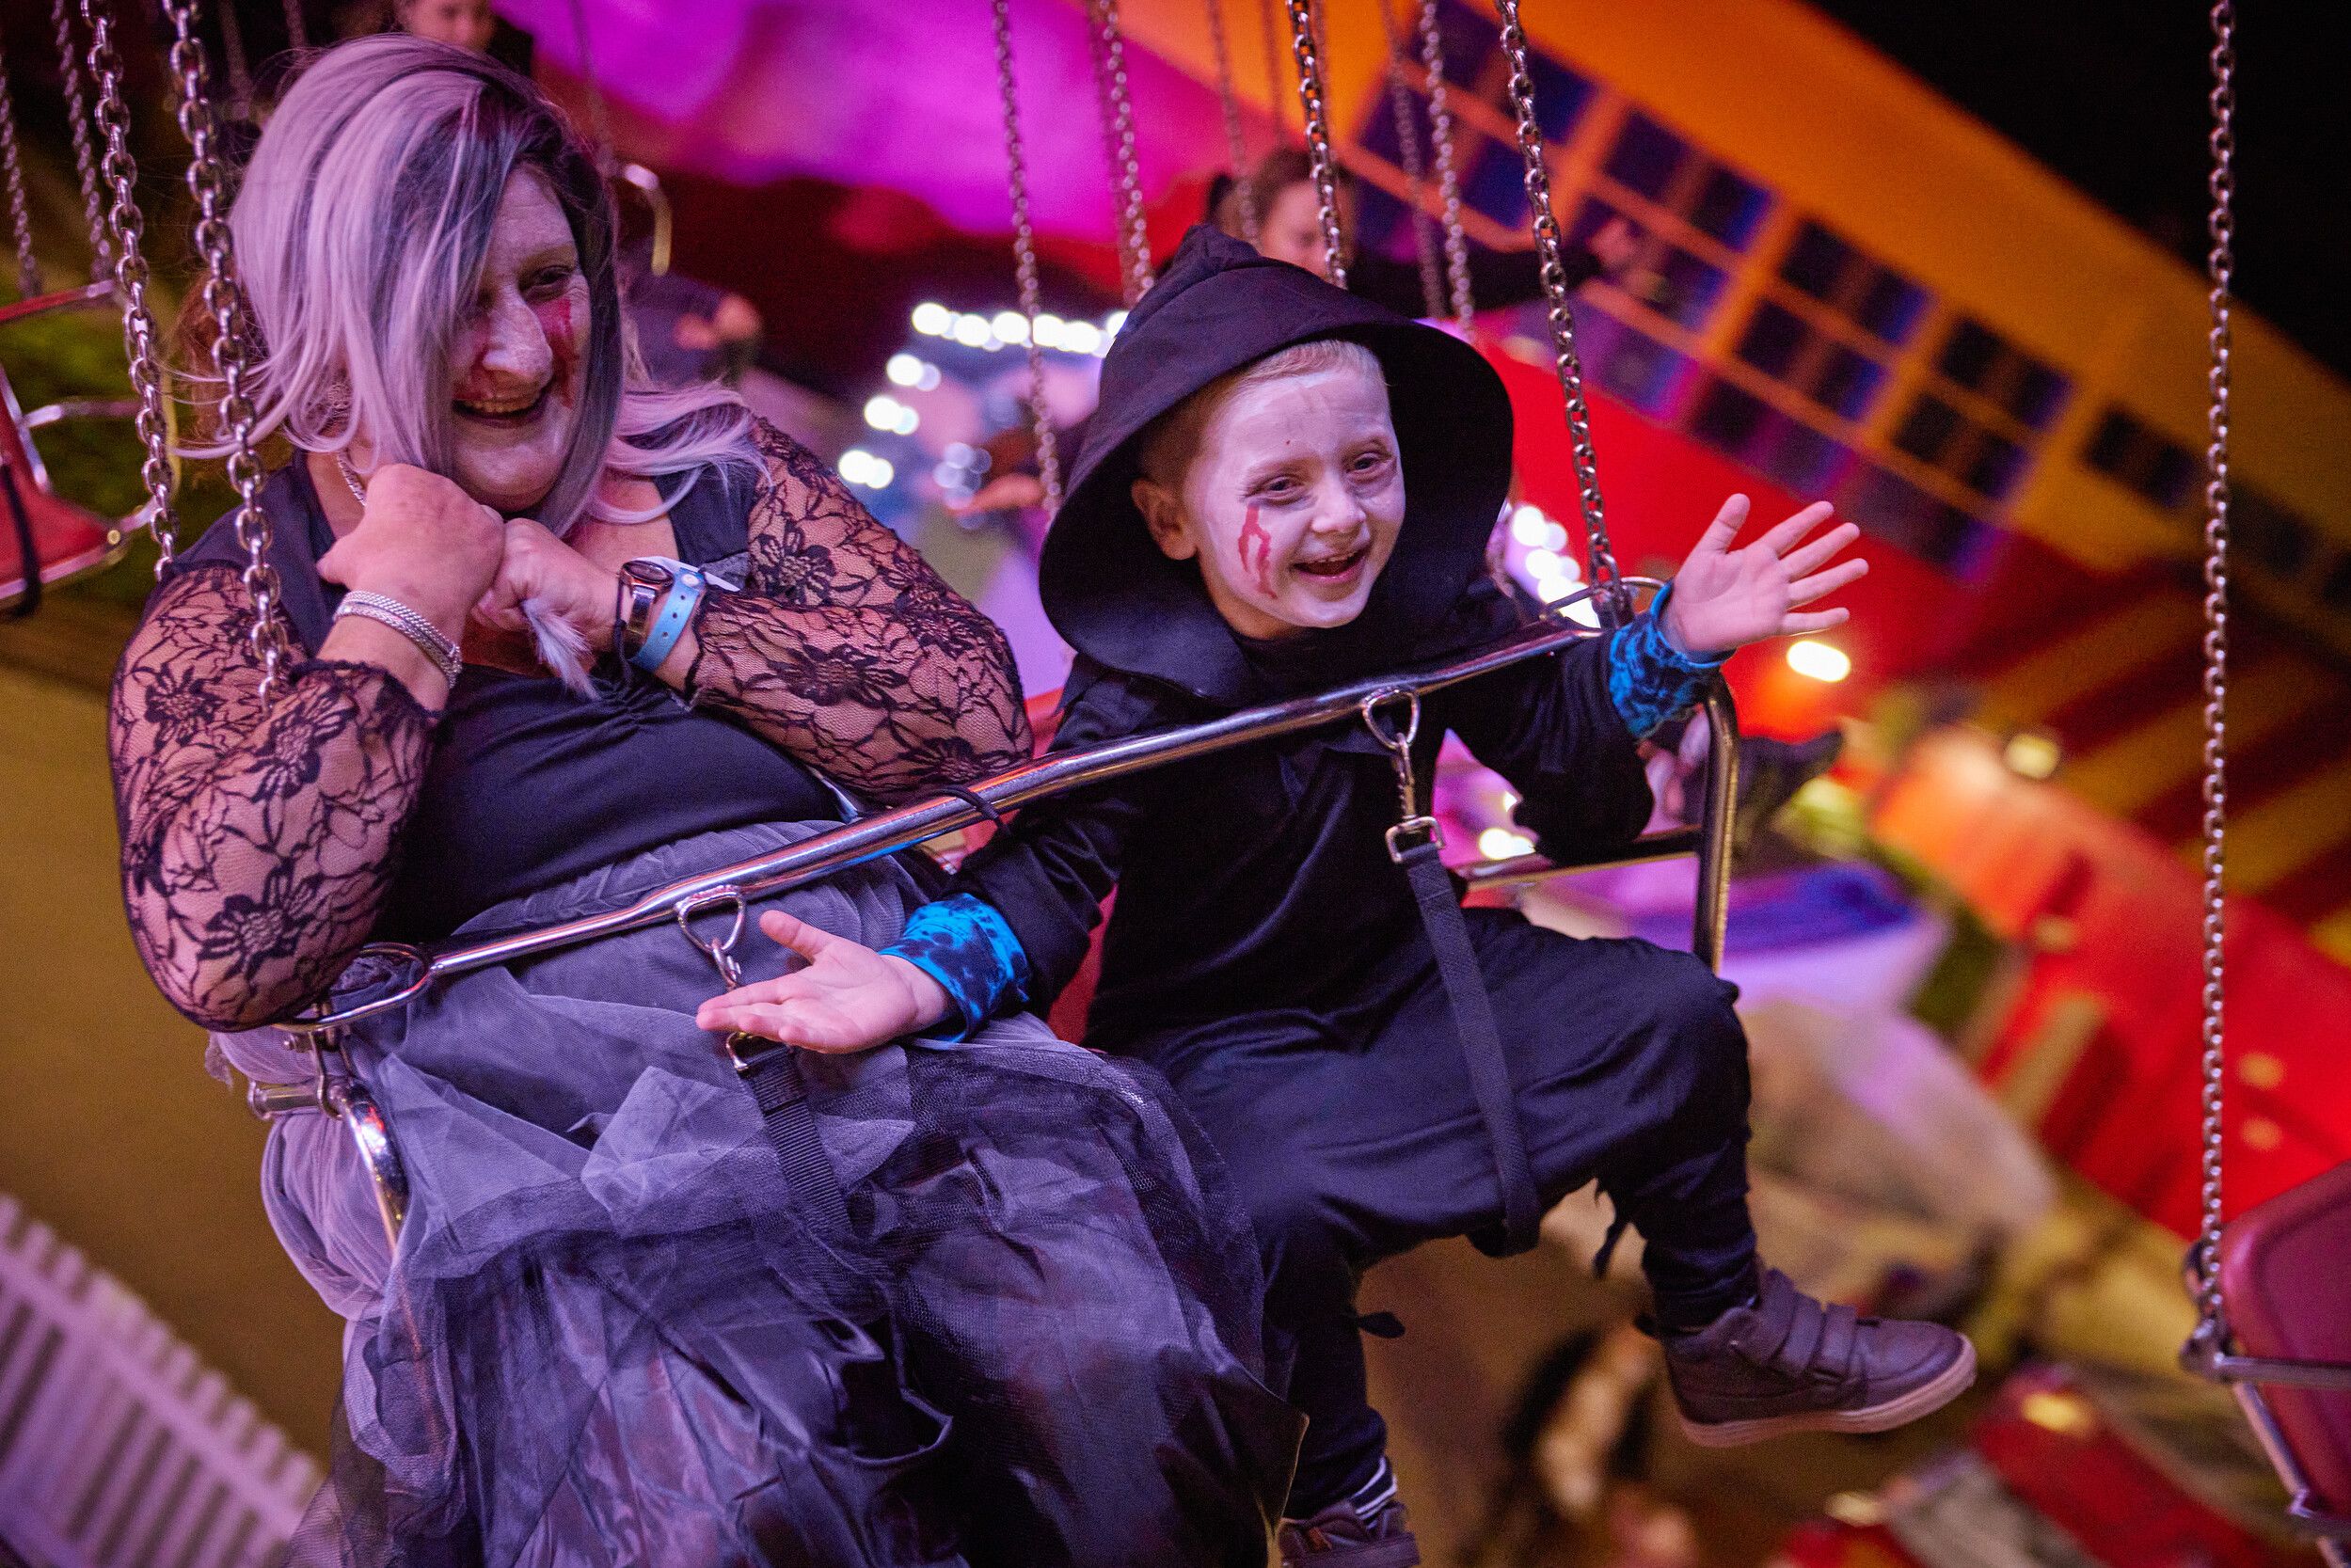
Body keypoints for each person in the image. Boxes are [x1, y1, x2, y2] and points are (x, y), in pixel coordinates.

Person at [108, 44, 1295, 1565]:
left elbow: (964, 712)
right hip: (555, 1143)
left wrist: (630, 610)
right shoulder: (245, 608)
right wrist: (404, 599)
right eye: (450, 309)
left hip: (870, 1042)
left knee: (1127, 1403)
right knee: (741, 1492)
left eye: (547, 279)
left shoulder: (719, 473)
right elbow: (222, 949)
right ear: (341, 327)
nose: (526, 355)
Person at [698, 227, 1977, 1566]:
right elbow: (1051, 874)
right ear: (1167, 519)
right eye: (1282, 482)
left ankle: (1722, 1325)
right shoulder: (1142, 685)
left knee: (1669, 1011)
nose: (1338, 516)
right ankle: (1337, 1498)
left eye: (1365, 465)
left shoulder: (1429, 605)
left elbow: (1565, 751)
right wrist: (905, 977)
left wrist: (1667, 647)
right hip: (1224, 1038)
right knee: (1271, 1203)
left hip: (1413, 976)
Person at [1209, 147, 1642, 318]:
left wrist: (1582, 262)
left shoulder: (1354, 288)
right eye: (1304, 239)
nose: (1326, 259)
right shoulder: (1205, 293)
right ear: (1253, 231)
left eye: (1337, 242)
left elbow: (1460, 281)